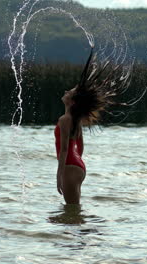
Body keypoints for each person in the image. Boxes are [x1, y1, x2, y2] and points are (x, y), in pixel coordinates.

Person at [55, 51, 125, 204]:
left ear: (72, 102)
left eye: (69, 92)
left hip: (69, 166)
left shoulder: (64, 119)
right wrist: (76, 162)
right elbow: (80, 147)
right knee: (74, 210)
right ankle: (87, 227)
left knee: (72, 212)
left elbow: (65, 149)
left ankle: (93, 227)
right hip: (78, 166)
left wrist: (59, 173)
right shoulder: (75, 120)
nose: (66, 92)